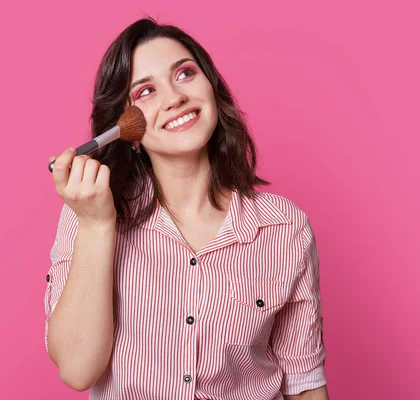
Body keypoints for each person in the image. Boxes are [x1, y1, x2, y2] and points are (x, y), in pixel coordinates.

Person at [44, 17, 328, 400]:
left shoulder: (284, 227)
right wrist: (97, 226)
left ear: (212, 88)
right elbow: (78, 370)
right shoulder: (91, 210)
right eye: (145, 91)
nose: (173, 98)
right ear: (129, 132)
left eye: (185, 73)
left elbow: (304, 385)